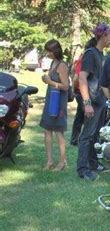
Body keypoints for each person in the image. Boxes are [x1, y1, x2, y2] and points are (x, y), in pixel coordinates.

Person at [76, 24, 110, 181]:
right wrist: (87, 103)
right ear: (103, 36)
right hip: (91, 101)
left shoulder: (100, 54)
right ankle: (83, 169)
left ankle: (93, 163)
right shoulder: (91, 54)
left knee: (96, 135)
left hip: (100, 101)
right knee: (87, 135)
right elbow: (82, 77)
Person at [39, 39, 70, 171]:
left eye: (49, 51)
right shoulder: (53, 63)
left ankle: (63, 162)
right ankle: (50, 161)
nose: (47, 53)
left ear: (55, 51)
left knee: (58, 132)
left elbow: (66, 87)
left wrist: (50, 82)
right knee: (47, 130)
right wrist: (47, 80)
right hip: (50, 100)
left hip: (58, 103)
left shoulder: (62, 66)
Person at [70, 39, 95, 146]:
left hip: (81, 91)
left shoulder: (84, 58)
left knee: (79, 116)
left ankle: (75, 139)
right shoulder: (85, 59)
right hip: (81, 91)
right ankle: (82, 140)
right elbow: (77, 77)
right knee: (85, 116)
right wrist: (75, 90)